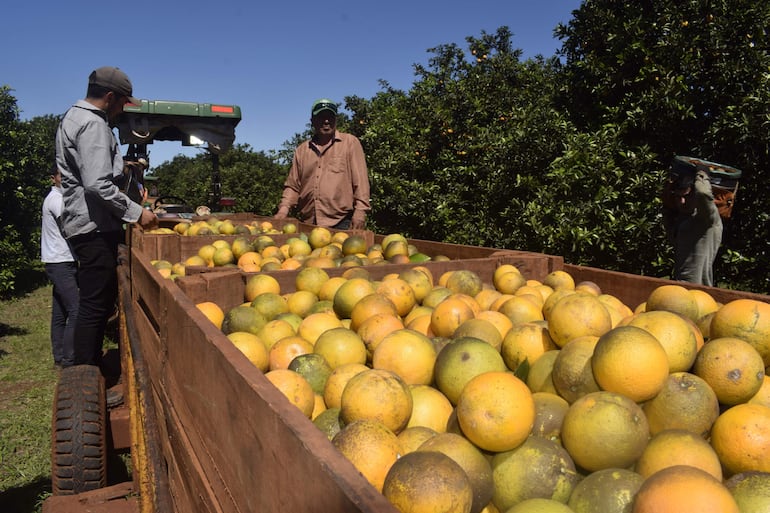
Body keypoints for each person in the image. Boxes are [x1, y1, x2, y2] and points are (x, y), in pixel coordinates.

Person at [55, 66, 158, 366]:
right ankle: (85, 373)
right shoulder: (93, 124)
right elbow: (97, 184)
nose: (123, 109)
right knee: (94, 306)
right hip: (94, 227)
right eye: (123, 102)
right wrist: (137, 213)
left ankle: (87, 367)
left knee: (94, 302)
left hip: (84, 224)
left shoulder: (73, 117)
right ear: (110, 97)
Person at [275, 99, 371, 229]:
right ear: (312, 121)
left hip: (341, 221)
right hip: (308, 222)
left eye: (330, 116)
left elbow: (361, 181)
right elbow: (293, 185)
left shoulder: (350, 143)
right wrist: (283, 209)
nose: (326, 121)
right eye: (321, 117)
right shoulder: (302, 150)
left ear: (336, 119)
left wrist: (360, 210)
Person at [662, 158, 723, 286]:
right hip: (680, 286)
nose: (682, 202)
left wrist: (702, 173)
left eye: (686, 196)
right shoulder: (682, 220)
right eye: (678, 197)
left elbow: (703, 193)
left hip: (699, 289)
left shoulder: (707, 218)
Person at [41, 165, 78, 368]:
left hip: (59, 260)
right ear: (53, 178)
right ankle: (70, 359)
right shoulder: (57, 199)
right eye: (62, 176)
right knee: (76, 309)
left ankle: (60, 356)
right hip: (60, 262)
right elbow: (70, 224)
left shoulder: (59, 197)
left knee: (60, 312)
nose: (66, 179)